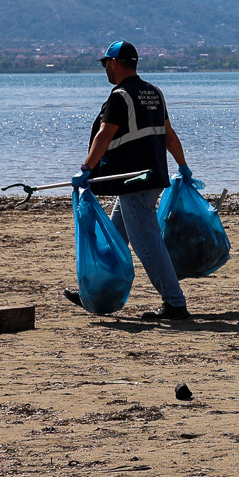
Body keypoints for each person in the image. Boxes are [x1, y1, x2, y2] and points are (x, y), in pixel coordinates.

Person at [62, 40, 195, 322]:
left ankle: (175, 303)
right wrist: (183, 166)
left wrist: (86, 167)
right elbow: (169, 135)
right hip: (153, 176)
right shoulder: (154, 92)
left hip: (135, 181)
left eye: (105, 64)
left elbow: (104, 135)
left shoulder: (120, 97)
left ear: (113, 63)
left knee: (147, 243)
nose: (105, 70)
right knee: (115, 237)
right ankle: (95, 290)